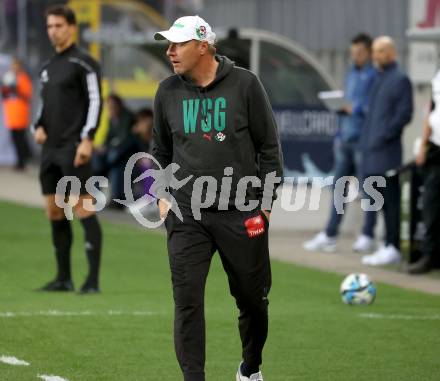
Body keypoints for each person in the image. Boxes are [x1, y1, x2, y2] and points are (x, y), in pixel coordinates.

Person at [152, 15, 283, 381]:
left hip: (241, 211)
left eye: (177, 44)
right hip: (186, 213)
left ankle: (250, 368)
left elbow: (269, 149)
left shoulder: (245, 85)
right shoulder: (167, 91)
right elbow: (160, 151)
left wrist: (267, 206)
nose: (170, 51)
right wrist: (164, 196)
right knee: (187, 301)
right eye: (169, 44)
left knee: (253, 302)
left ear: (203, 46)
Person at [32, 5, 103, 293]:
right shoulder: (47, 67)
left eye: (59, 25)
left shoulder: (84, 63)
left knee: (82, 209)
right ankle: (64, 278)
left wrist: (88, 138)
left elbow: (96, 101)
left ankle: (92, 281)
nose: (53, 31)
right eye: (49, 26)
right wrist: (37, 125)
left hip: (73, 147)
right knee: (54, 212)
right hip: (50, 149)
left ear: (72, 27)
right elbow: (44, 104)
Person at [303, 33, 377, 253]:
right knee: (338, 190)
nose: (356, 57)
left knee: (368, 189)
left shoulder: (374, 75)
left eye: (360, 53)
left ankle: (368, 235)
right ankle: (330, 235)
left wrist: (355, 109)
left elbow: (372, 108)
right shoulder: (351, 73)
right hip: (345, 139)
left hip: (363, 140)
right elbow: (348, 103)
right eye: (353, 53)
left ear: (369, 53)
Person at [361, 36, 413, 266]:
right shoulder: (378, 79)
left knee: (391, 200)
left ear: (391, 53)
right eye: (374, 51)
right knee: (379, 201)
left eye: (380, 51)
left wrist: (383, 136)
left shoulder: (400, 80)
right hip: (372, 151)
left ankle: (393, 245)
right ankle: (386, 244)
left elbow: (404, 114)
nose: (375, 55)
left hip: (388, 152)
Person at [407, 73, 440, 274]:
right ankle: (430, 256)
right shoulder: (438, 76)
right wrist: (423, 144)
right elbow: (432, 111)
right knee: (431, 204)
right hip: (436, 149)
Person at [92, 93, 136, 207]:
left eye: (112, 106)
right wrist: (104, 147)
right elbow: (109, 138)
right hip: (113, 153)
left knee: (114, 161)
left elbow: (124, 140)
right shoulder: (112, 119)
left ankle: (117, 200)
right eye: (108, 106)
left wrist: (108, 147)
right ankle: (96, 197)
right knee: (96, 160)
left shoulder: (127, 117)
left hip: (127, 155)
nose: (110, 109)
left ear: (118, 105)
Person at [1, 57, 33, 170]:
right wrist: (5, 89)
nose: (14, 68)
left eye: (16, 65)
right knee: (15, 139)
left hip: (20, 114)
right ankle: (20, 161)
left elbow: (27, 96)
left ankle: (23, 161)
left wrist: (16, 89)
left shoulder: (23, 79)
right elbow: (5, 95)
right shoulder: (9, 78)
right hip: (11, 114)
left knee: (20, 139)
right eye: (12, 65)